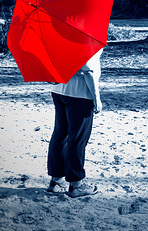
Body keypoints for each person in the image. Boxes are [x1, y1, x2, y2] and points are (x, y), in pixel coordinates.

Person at [46, 49, 103, 198]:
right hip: (79, 94)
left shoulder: (58, 36)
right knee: (77, 139)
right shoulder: (86, 39)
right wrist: (96, 98)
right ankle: (76, 184)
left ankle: (56, 182)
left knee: (60, 135)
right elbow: (88, 70)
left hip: (59, 90)